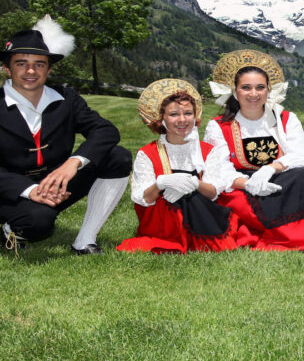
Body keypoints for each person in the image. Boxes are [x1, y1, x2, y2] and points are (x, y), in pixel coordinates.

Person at [0, 15, 131, 255]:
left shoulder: (66, 99)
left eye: (40, 64)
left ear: (49, 69)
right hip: (9, 191)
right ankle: (9, 228)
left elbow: (106, 130)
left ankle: (85, 241)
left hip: (57, 181)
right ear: (7, 67)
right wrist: (30, 191)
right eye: (21, 63)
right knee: (38, 222)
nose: (31, 70)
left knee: (118, 157)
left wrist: (73, 163)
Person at [205, 50, 304, 251]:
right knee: (231, 198)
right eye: (246, 88)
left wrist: (271, 168)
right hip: (243, 185)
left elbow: (303, 156)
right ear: (235, 91)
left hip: (281, 178)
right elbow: (219, 169)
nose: (254, 94)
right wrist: (249, 184)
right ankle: (285, 231)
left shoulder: (286, 119)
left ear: (268, 90)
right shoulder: (218, 126)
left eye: (260, 88)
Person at [117, 79, 239, 254]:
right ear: (161, 119)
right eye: (174, 114)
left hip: (201, 213)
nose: (182, 120)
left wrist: (195, 183)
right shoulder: (147, 153)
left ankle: (200, 237)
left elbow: (213, 193)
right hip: (163, 219)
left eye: (188, 113)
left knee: (194, 197)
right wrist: (161, 184)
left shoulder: (208, 151)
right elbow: (143, 198)